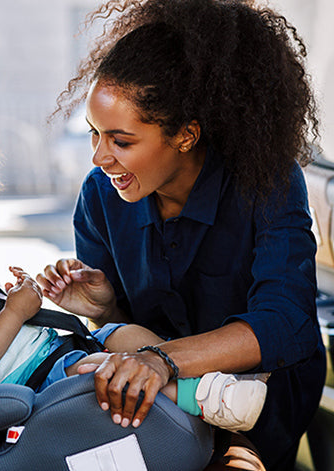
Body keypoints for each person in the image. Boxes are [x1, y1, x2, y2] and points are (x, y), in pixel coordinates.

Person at [37, 0, 326, 469]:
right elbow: (123, 331)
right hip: (158, 399)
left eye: (121, 141)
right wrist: (105, 308)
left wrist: (162, 360)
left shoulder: (267, 181)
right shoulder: (100, 196)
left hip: (255, 401)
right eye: (94, 134)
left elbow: (286, 323)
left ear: (186, 135)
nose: (99, 158)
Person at [0, 128, 267, 432]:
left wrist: (15, 301)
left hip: (55, 351)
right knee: (97, 369)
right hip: (33, 381)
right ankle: (203, 399)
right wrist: (14, 314)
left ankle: (205, 377)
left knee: (120, 333)